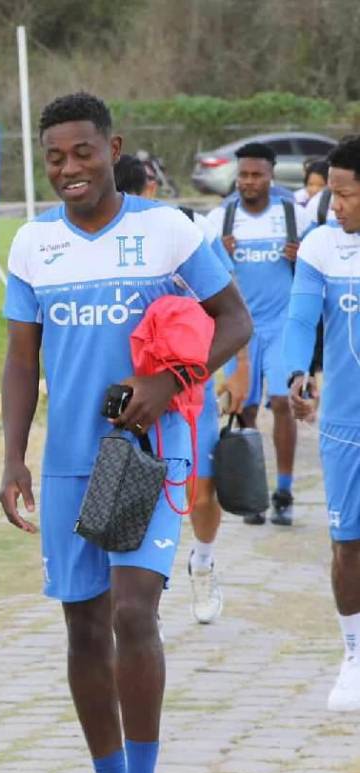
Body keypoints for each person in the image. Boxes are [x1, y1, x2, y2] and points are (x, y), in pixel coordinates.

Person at [0, 93, 250, 773]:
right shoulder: (34, 246)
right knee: (82, 627)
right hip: (74, 461)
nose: (68, 168)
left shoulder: (168, 230)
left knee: (134, 613)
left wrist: (170, 377)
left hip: (148, 454)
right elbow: (19, 360)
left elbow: (235, 321)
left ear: (114, 147)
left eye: (82, 152)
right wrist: (13, 457)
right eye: (54, 157)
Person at [113, 157, 251, 623]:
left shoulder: (189, 231)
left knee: (201, 489)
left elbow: (231, 310)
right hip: (134, 387)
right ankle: (145, 601)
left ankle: (204, 564)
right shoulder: (98, 247)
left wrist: (239, 369)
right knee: (139, 487)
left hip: (191, 383)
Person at [286, 136, 360, 711]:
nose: (333, 205)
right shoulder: (322, 247)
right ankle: (355, 656)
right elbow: (301, 315)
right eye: (331, 193)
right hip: (345, 427)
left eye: (343, 194)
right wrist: (296, 372)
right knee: (348, 545)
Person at [204, 143, 315, 526]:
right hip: (241, 330)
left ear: (271, 175)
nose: (249, 182)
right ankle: (253, 491)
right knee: (245, 408)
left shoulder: (293, 216)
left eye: (257, 175)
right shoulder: (221, 218)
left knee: (283, 403)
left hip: (282, 324)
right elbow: (206, 271)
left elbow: (316, 269)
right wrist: (221, 251)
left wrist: (300, 258)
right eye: (244, 175)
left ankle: (283, 490)